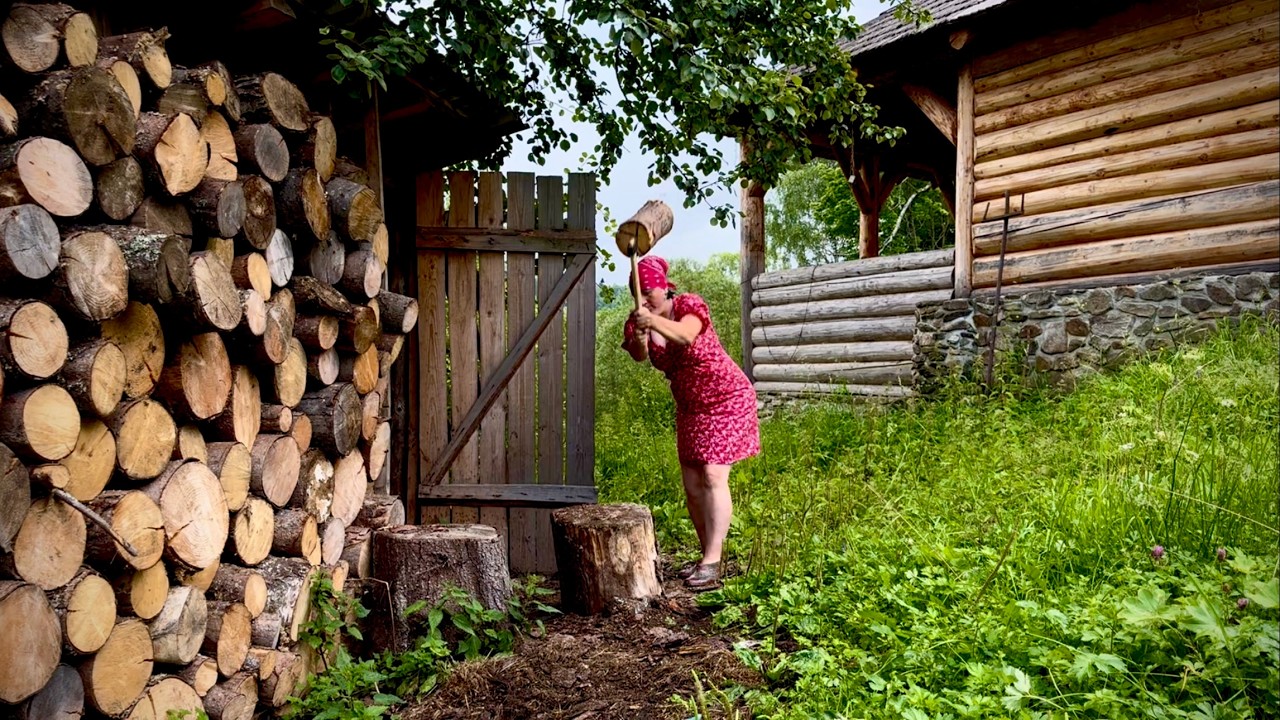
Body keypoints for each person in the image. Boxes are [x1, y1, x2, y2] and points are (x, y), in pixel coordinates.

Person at [621, 255, 760, 590]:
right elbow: (639, 354)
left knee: (713, 474)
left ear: (663, 289)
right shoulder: (638, 319)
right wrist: (640, 332)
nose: (642, 300)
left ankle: (712, 562)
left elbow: (685, 335)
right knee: (693, 486)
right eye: (636, 294)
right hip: (691, 408)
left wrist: (652, 323)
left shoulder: (689, 305)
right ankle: (706, 556)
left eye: (648, 293)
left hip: (728, 398)